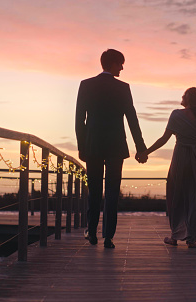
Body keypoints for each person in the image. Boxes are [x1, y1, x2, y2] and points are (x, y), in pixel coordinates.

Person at [75, 49, 147, 248]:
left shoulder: (86, 85)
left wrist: (82, 146)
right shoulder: (123, 88)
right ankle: (108, 236)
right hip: (116, 145)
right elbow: (132, 119)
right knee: (112, 190)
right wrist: (140, 148)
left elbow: (79, 119)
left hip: (93, 145)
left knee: (94, 191)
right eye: (121, 64)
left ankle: (91, 232)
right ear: (113, 63)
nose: (122, 68)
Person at [138, 87, 196, 248]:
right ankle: (192, 237)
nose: (181, 96)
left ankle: (175, 235)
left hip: (180, 157)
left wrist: (146, 152)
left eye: (184, 95)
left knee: (176, 195)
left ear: (189, 99)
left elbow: (164, 139)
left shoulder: (176, 115)